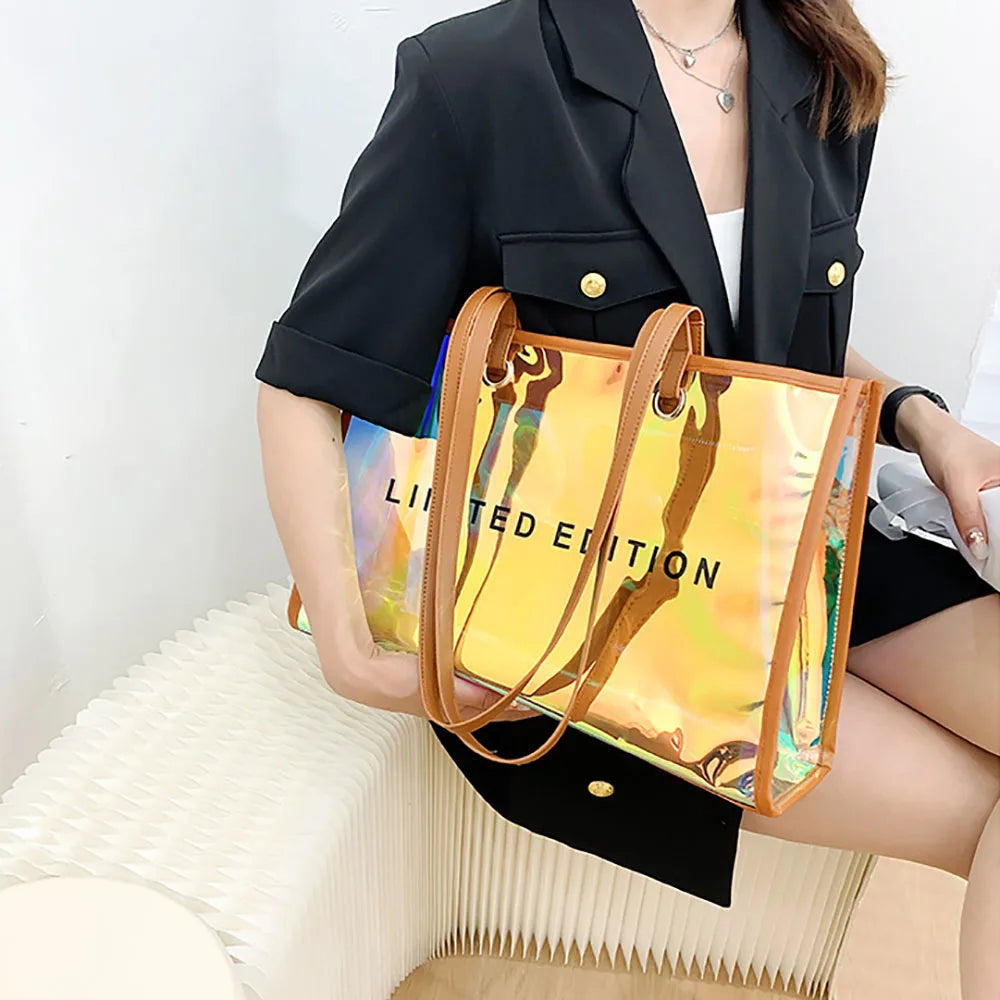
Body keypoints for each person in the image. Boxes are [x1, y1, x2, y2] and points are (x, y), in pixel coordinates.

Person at [255, 1, 1000, 994]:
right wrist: (349, 651)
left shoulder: (823, 65)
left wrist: (918, 419)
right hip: (598, 614)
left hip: (797, 540)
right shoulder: (480, 76)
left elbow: (757, 334)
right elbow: (307, 379)